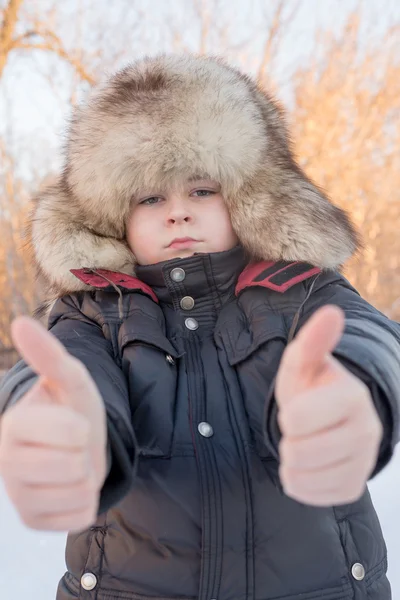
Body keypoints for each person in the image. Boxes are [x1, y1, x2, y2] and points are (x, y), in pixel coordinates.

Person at [0, 53, 399, 600]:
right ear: (114, 217)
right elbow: (67, 372)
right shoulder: (96, 313)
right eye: (150, 197)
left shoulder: (301, 290)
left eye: (202, 190)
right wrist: (57, 420)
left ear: (247, 198)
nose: (178, 213)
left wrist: (356, 385)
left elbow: (371, 337)